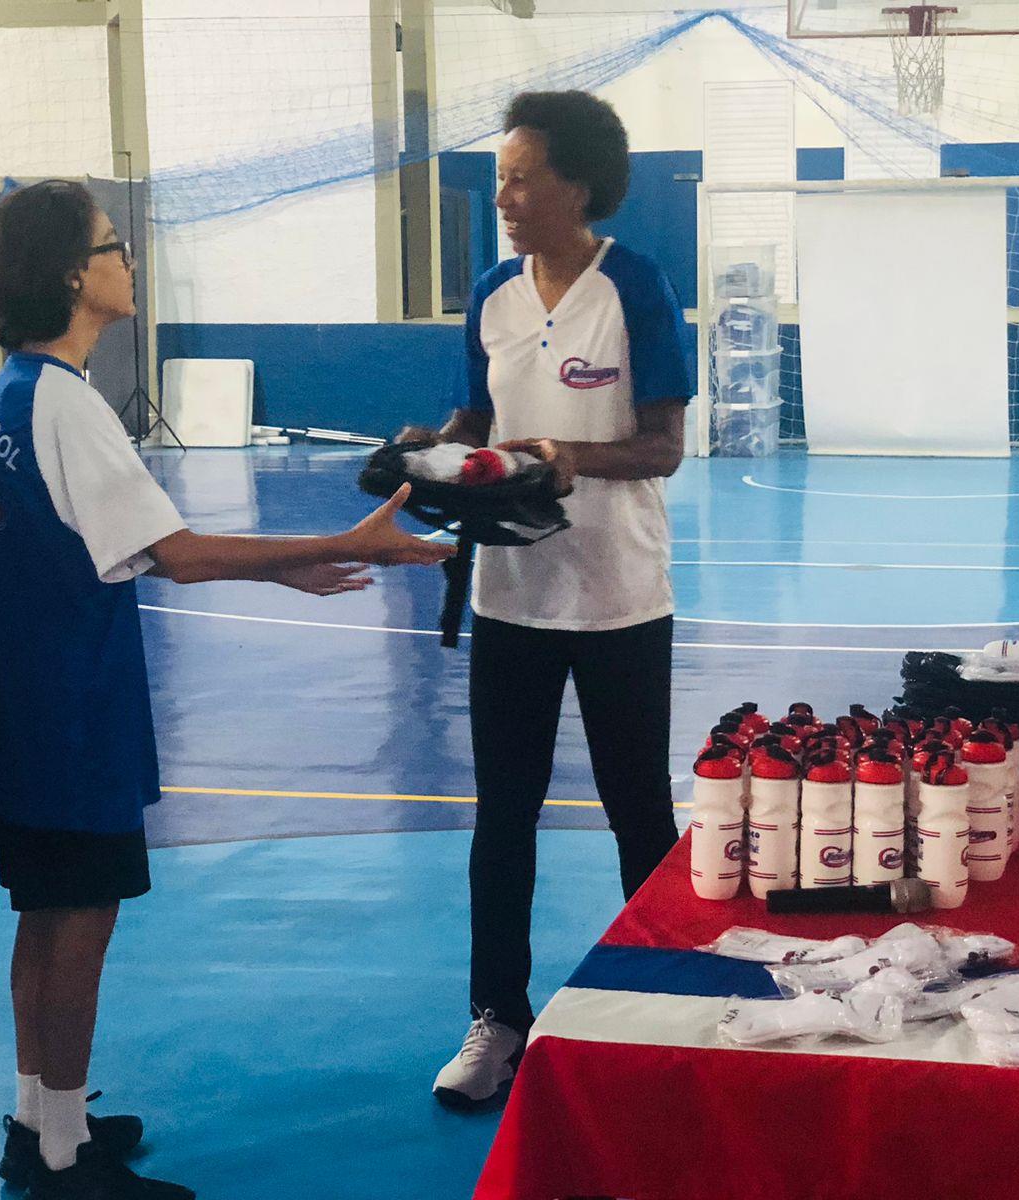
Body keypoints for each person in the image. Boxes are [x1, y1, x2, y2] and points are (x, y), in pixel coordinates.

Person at [0, 179, 451, 1200]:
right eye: (111, 247)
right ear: (72, 275)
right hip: (72, 717)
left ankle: (38, 1116)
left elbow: (138, 554)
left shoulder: (11, 395)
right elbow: (176, 554)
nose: (126, 262)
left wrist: (288, 566)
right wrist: (338, 545)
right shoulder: (67, 406)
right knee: (79, 920)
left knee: (43, 914)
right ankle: (60, 1159)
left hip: (20, 709)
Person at [400, 90, 689, 1109]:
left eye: (521, 177)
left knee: (637, 812)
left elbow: (665, 445)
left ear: (577, 185)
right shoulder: (490, 293)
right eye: (501, 178)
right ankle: (496, 1020)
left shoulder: (637, 289)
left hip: (619, 595)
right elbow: (471, 419)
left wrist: (568, 457)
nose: (504, 196)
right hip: (510, 597)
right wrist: (424, 457)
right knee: (503, 817)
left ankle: (665, 1004)